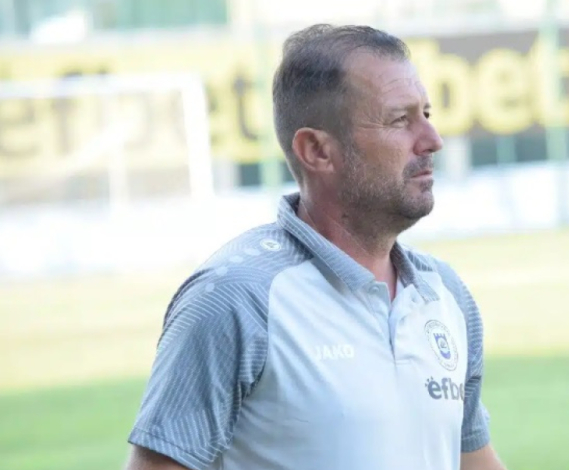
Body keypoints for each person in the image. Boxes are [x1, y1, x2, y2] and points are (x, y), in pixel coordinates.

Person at [124, 24, 507, 470]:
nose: (432, 139)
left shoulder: (444, 294)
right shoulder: (236, 299)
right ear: (317, 150)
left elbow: (470, 459)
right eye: (399, 120)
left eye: (425, 113)